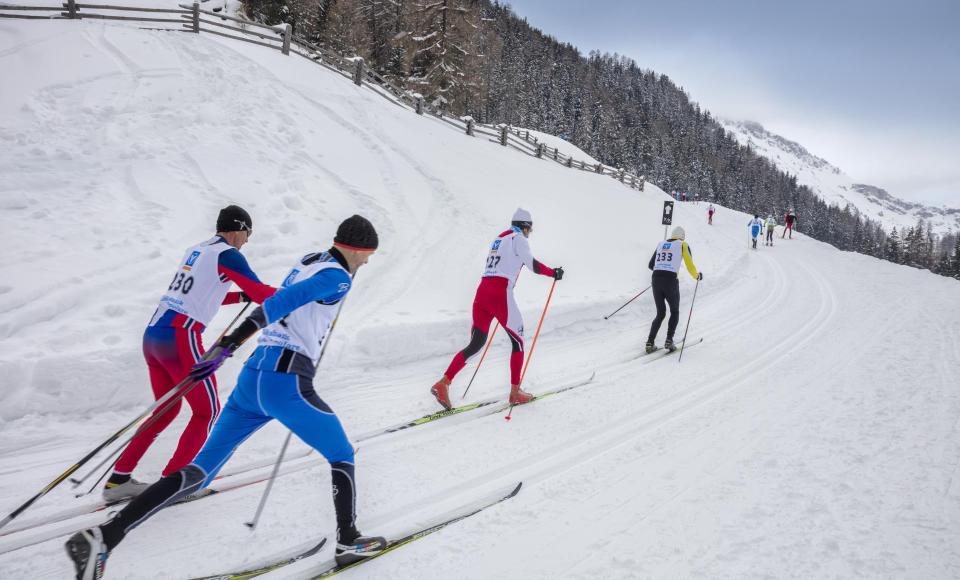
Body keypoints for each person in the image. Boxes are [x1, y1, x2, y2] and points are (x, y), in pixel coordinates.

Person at [66, 215, 386, 579]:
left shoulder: (311, 261)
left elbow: (283, 299)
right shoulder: (337, 277)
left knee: (199, 473)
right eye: (367, 255)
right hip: (285, 380)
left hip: (254, 380)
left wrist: (232, 344)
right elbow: (282, 303)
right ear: (358, 249)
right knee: (342, 452)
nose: (366, 263)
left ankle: (104, 537)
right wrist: (228, 345)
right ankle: (348, 540)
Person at [104, 206, 276, 502]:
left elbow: (200, 295)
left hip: (155, 335)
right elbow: (262, 293)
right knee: (206, 411)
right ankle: (175, 486)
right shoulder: (229, 254)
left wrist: (240, 296)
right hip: (179, 338)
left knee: (166, 410)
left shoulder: (198, 250)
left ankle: (118, 481)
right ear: (238, 229)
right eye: (248, 235)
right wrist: (303, 294)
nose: (246, 241)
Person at [430, 209, 563, 410]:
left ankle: (444, 382)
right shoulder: (519, 238)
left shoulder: (499, 238)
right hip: (500, 294)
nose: (529, 233)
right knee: (517, 341)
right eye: (530, 229)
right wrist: (553, 272)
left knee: (475, 344)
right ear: (525, 226)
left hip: (482, 293)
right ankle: (515, 392)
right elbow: (532, 265)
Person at [645, 226, 701, 354]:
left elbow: (650, 265)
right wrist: (697, 276)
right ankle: (669, 340)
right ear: (682, 236)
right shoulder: (683, 244)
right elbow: (689, 264)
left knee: (660, 313)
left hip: (656, 279)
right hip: (670, 280)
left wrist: (660, 271)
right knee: (674, 311)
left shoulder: (661, 243)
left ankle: (649, 342)